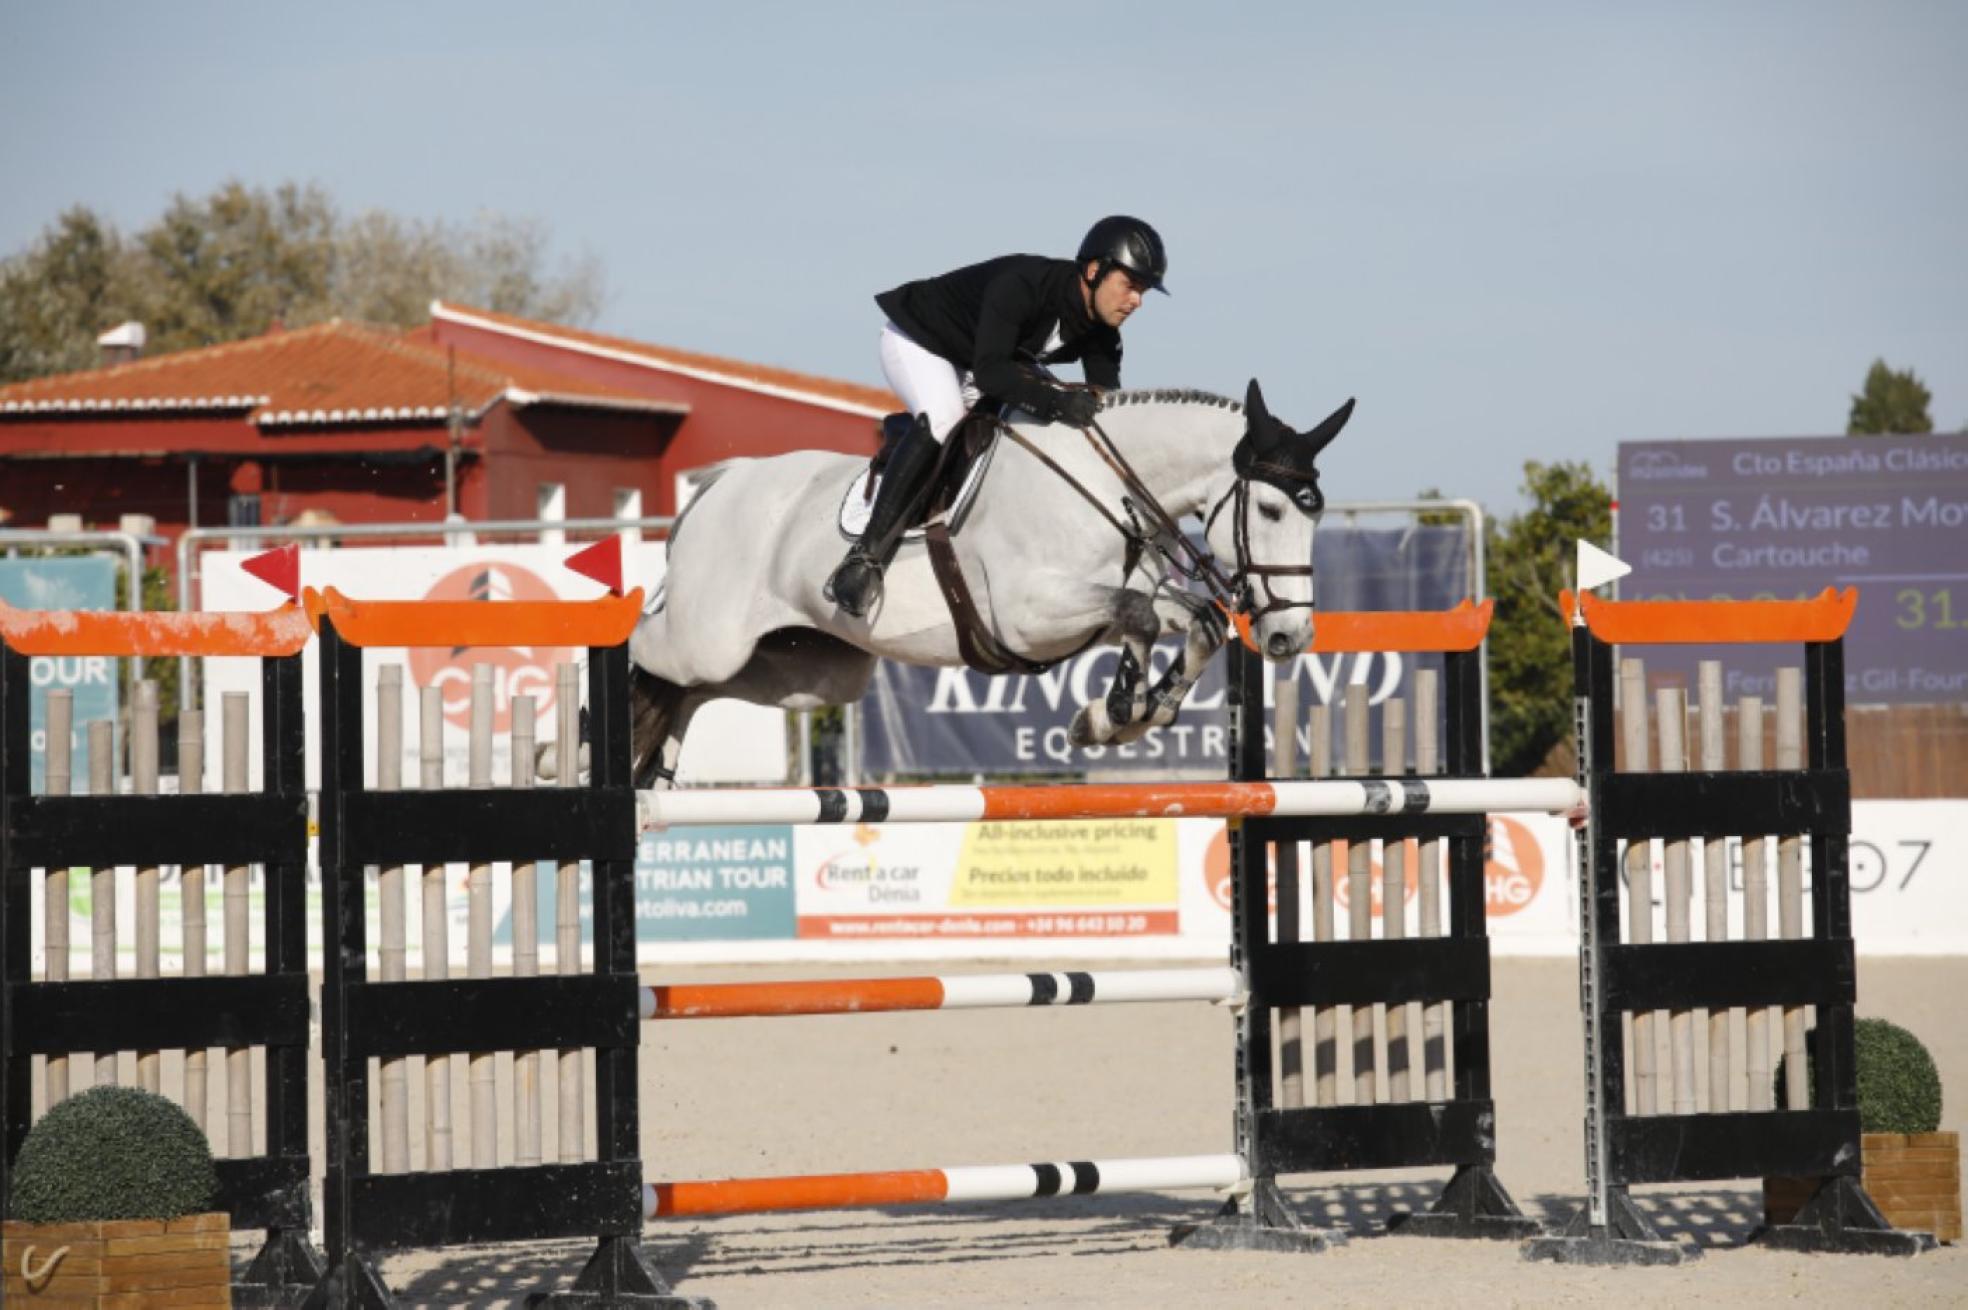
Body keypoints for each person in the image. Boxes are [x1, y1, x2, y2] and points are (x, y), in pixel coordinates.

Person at [825, 215, 1169, 618]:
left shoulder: (1104, 334)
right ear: (1094, 271)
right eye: (1130, 286)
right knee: (944, 417)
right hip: (921, 340)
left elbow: (1106, 412)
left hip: (974, 362)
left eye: (1143, 291)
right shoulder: (1024, 286)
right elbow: (992, 373)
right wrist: (1058, 402)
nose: (1137, 301)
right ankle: (863, 560)